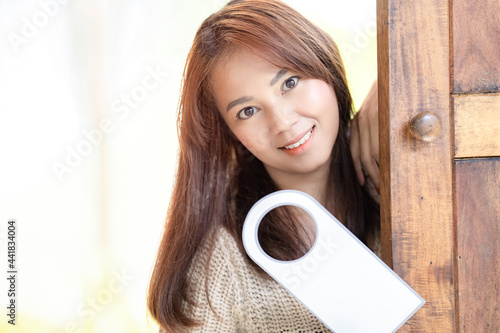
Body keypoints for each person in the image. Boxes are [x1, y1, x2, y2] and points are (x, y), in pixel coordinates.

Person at [148, 0, 380, 331]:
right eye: (248, 111)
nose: (282, 123)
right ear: (229, 134)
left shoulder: (398, 173)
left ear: (324, 62)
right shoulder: (222, 258)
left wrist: (392, 89)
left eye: (289, 83)